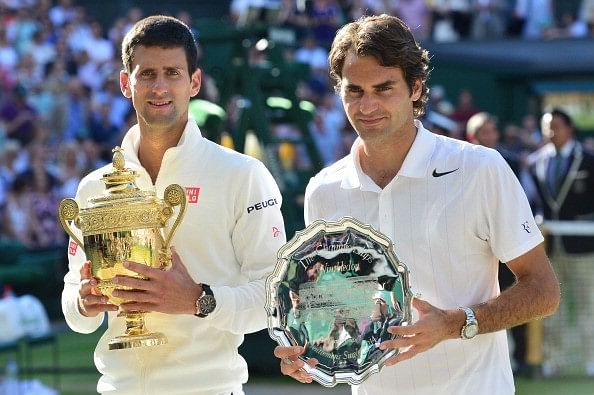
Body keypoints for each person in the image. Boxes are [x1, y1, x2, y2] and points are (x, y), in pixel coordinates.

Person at [274, 14, 559, 395]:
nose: (367, 105)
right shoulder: (323, 190)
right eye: (354, 90)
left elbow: (543, 290)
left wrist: (455, 323)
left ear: (416, 87)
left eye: (384, 88)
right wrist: (313, 353)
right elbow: (337, 312)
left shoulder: (480, 168)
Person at [61, 16, 286, 395]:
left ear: (194, 82)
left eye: (173, 73)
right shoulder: (94, 187)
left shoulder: (242, 174)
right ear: (124, 83)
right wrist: (84, 301)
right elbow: (73, 303)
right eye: (147, 73)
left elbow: (275, 295)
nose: (160, 87)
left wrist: (199, 300)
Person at [525, 108, 594, 377]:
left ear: (570, 129)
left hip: (584, 248)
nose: (549, 132)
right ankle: (554, 359)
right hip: (549, 249)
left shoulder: (589, 160)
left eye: (555, 126)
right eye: (546, 127)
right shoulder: (534, 161)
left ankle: (590, 360)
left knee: (588, 303)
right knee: (552, 305)